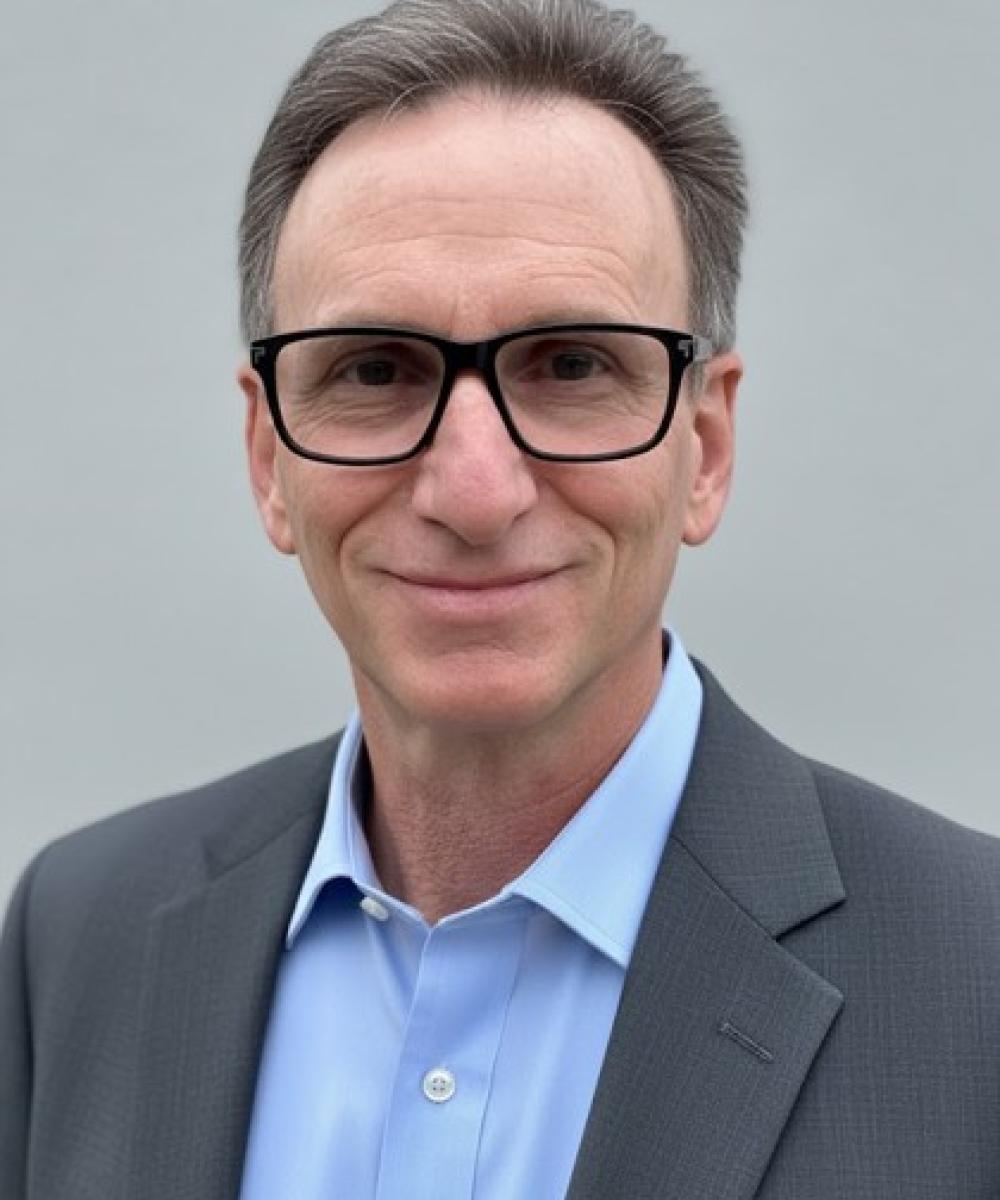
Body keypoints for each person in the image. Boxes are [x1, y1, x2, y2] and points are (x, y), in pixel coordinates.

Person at [2, 1, 999, 1196]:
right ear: (269, 460)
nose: (474, 492)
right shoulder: (78, 937)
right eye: (375, 369)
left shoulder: (976, 976)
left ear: (707, 445)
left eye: (572, 364)